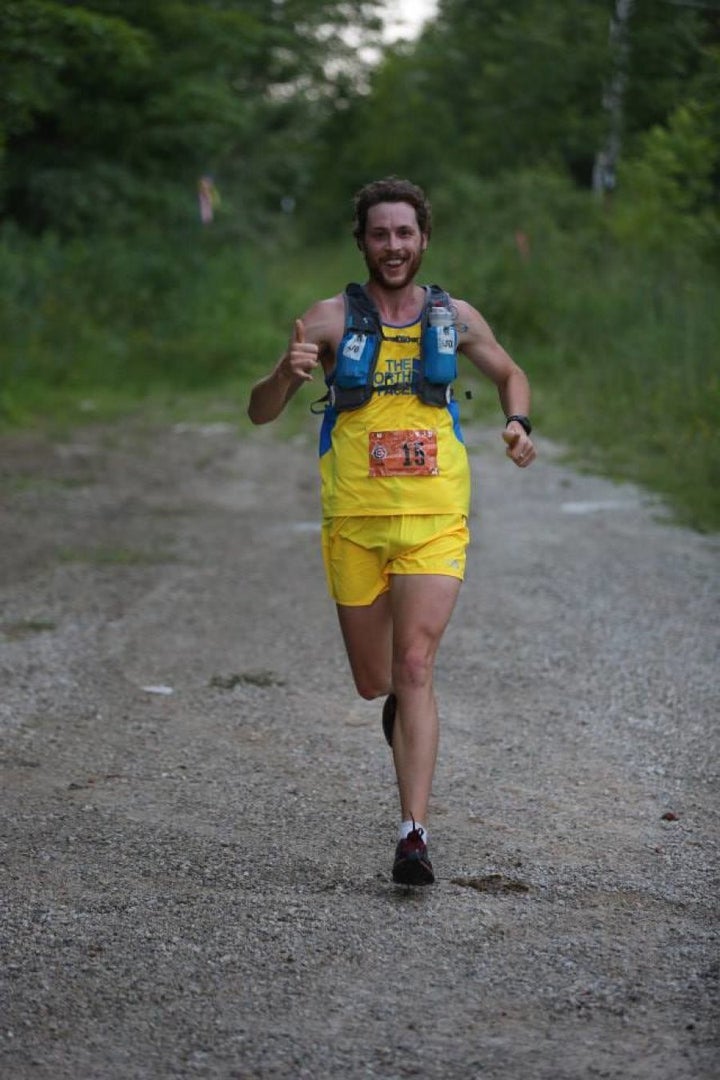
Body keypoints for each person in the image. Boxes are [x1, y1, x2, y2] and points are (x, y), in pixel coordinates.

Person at [248, 177, 536, 886]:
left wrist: (519, 422)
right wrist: (286, 378)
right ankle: (401, 717)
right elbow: (258, 411)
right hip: (353, 517)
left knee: (415, 668)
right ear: (362, 242)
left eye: (404, 232)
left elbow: (510, 372)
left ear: (424, 238)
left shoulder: (453, 316)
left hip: (436, 514)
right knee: (375, 681)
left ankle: (413, 834)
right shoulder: (325, 319)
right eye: (380, 234)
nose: (394, 246)